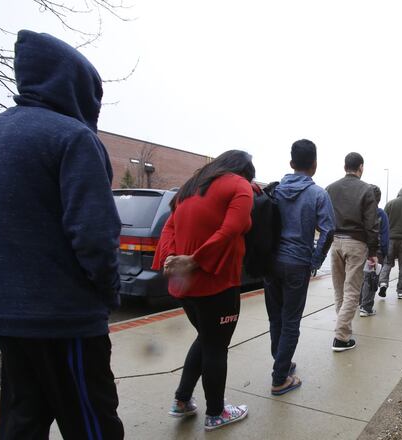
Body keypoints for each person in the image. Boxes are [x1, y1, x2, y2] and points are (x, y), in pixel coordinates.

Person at [0, 30, 124, 440]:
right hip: (64, 317)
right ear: (74, 84)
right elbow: (94, 235)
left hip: (5, 316)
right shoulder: (73, 137)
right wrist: (107, 293)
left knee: (22, 420)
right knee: (91, 422)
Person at [152, 150, 254, 431]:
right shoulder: (239, 186)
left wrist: (172, 258)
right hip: (218, 282)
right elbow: (231, 229)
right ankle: (216, 413)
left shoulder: (189, 188)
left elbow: (168, 228)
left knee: (206, 338)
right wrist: (197, 259)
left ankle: (182, 401)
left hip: (186, 286)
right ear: (246, 171)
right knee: (216, 346)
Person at [263, 139, 335, 395]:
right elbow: (328, 231)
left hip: (271, 263)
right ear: (314, 165)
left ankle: (281, 360)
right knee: (291, 321)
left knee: (276, 318)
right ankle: (280, 377)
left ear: (291, 163)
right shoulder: (318, 194)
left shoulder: (275, 190)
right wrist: (314, 261)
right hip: (297, 264)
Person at [326, 153, 379, 352]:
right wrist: (373, 250)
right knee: (352, 292)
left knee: (339, 289)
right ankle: (341, 337)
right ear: (361, 167)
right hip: (356, 243)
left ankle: (344, 330)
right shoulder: (366, 190)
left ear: (344, 166)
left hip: (335, 241)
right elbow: (371, 223)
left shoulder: (330, 188)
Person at [360, 185, 389, 317]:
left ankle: (360, 302)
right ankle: (366, 307)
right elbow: (384, 235)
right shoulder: (380, 214)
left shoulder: (359, 212)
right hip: (375, 251)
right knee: (371, 279)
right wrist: (384, 251)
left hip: (360, 248)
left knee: (361, 278)